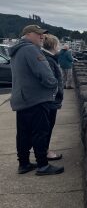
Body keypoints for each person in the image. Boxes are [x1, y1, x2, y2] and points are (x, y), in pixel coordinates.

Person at [8, 25, 64, 175]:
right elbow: (45, 75)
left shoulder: (17, 50)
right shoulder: (30, 49)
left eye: (43, 35)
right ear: (28, 34)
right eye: (38, 34)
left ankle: (24, 164)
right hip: (36, 99)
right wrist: (54, 86)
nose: (42, 37)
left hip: (22, 99)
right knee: (40, 132)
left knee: (23, 134)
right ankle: (43, 165)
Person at [41, 34, 63, 161]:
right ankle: (45, 152)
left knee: (47, 126)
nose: (59, 47)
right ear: (54, 45)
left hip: (50, 99)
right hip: (50, 100)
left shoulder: (49, 58)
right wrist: (56, 95)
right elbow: (51, 81)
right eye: (58, 45)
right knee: (47, 127)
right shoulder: (49, 59)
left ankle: (44, 150)